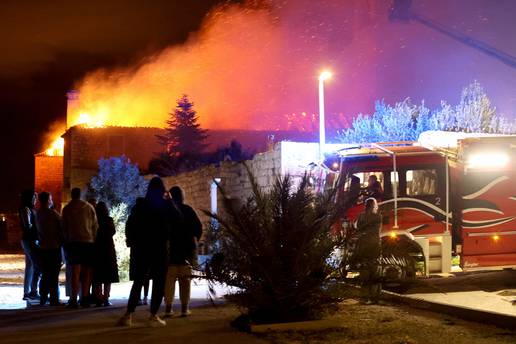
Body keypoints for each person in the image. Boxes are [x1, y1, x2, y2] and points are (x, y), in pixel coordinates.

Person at [118, 177, 180, 327]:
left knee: (138, 281)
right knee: (159, 282)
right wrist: (170, 200)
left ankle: (128, 314)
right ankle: (153, 316)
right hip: (159, 248)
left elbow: (130, 225)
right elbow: (178, 218)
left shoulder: (140, 206)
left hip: (142, 248)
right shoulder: (165, 206)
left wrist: (131, 240)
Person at [164, 186, 202, 318]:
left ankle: (168, 309)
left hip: (170, 254)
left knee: (169, 282)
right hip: (186, 252)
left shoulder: (166, 212)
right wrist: (194, 241)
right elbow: (198, 228)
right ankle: (184, 309)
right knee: (185, 282)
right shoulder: (188, 210)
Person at [62, 188, 98, 308]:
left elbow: (64, 227)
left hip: (73, 243)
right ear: (81, 195)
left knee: (75, 272)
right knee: (87, 272)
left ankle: (73, 300)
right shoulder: (89, 207)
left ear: (72, 196)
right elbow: (95, 226)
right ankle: (85, 298)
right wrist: (92, 238)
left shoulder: (67, 209)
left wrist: (67, 240)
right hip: (88, 242)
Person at [36, 192, 63, 306]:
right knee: (53, 275)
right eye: (51, 199)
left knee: (45, 274)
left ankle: (43, 297)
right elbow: (62, 225)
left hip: (43, 247)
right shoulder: (52, 214)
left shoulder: (38, 213)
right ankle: (54, 299)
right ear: (48, 200)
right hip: (54, 246)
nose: (52, 200)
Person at [355, 197, 382, 304]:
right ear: (374, 206)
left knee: (364, 271)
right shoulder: (378, 217)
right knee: (375, 271)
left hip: (363, 246)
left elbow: (357, 229)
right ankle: (375, 297)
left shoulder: (361, 217)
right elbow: (377, 231)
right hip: (374, 245)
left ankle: (364, 297)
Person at [92, 202, 119, 307]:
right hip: (108, 249)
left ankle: (99, 298)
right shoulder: (109, 220)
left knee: (98, 276)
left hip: (97, 249)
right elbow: (113, 231)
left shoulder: (94, 220)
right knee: (108, 276)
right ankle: (106, 298)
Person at [18, 189, 41, 300]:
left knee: (30, 266)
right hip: (29, 240)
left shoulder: (30, 209)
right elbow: (28, 225)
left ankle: (27, 292)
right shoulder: (26, 209)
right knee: (36, 265)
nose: (35, 199)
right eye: (34, 197)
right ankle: (32, 291)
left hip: (29, 239)